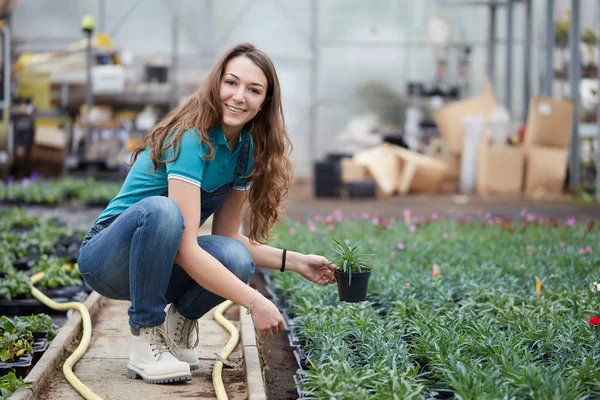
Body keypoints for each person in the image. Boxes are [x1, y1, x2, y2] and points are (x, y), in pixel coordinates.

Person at [77, 43, 336, 384]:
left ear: (264, 103)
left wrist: (297, 261)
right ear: (216, 84)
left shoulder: (245, 151)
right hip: (107, 259)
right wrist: (254, 302)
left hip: (157, 266)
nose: (239, 96)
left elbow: (228, 237)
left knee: (236, 257)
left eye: (253, 90)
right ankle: (145, 336)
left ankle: (176, 327)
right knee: (163, 211)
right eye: (231, 83)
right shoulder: (191, 138)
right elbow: (185, 248)